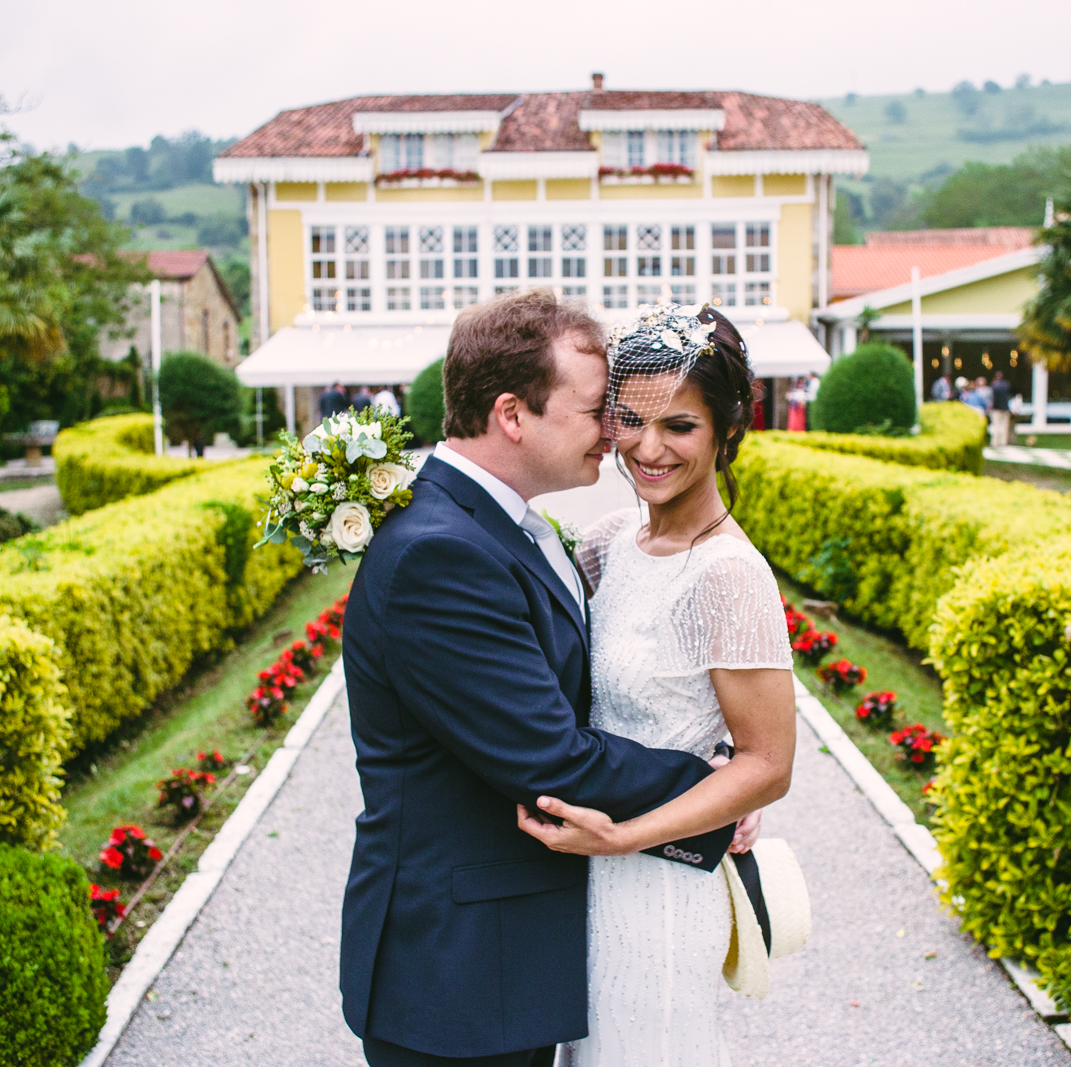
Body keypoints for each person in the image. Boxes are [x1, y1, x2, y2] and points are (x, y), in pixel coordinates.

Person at [339, 291, 742, 1067]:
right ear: (512, 415)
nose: (617, 433)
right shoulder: (440, 554)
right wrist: (713, 788)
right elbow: (550, 757)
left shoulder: (495, 520)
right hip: (456, 976)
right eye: (599, 409)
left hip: (503, 956)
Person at [517, 304, 795, 1066]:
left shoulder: (730, 574)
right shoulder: (612, 542)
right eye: (629, 420)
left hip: (661, 890)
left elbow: (768, 765)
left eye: (679, 425)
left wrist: (623, 836)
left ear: (727, 430)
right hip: (583, 886)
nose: (647, 447)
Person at [989, 372, 1012, 447]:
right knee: (1004, 426)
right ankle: (1003, 442)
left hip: (997, 408)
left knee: (996, 425)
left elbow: (993, 398)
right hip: (1005, 408)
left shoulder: (995, 385)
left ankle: (995, 441)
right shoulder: (1006, 385)